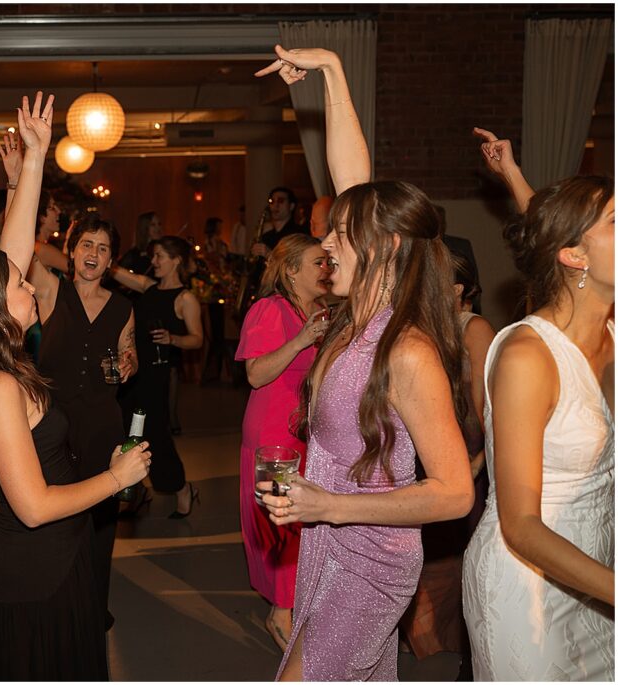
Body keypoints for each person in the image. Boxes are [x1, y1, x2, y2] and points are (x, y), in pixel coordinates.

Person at [255, 46, 474, 681]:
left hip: (370, 554)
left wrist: (329, 505)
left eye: (340, 234)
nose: (325, 244)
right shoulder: (354, 319)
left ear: (387, 245)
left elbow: (456, 492)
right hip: (327, 539)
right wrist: (331, 70)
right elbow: (353, 180)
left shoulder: (406, 351)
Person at [0, 91, 151, 681]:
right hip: (29, 569)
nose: (28, 284)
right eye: (17, 285)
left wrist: (33, 162)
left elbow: (14, 248)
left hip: (55, 556)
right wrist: (115, 479)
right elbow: (32, 507)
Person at [462, 131, 614, 681]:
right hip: (528, 591)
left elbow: (556, 236)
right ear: (574, 256)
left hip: (596, 569)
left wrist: (513, 176)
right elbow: (520, 526)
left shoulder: (612, 327)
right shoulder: (527, 357)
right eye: (617, 222)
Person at [1, 206, 137, 631]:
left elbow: (127, 352)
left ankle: (93, 604)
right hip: (52, 425)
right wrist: (17, 185)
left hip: (102, 424)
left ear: (111, 260)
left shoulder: (122, 307)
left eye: (103, 248)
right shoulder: (50, 290)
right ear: (72, 251)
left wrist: (128, 362)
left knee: (99, 521)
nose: (94, 253)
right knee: (54, 516)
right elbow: (16, 256)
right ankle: (55, 599)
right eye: (86, 245)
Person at [235, 234, 330, 651]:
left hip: (308, 431)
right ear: (291, 271)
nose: (326, 269)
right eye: (317, 263)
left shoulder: (323, 311)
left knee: (305, 523)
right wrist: (301, 340)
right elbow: (255, 375)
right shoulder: (269, 309)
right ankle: (280, 614)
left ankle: (293, 608)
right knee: (283, 525)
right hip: (274, 436)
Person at [402, 253, 495, 665]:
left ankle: (468, 654)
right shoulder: (426, 327)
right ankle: (429, 634)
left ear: (458, 289)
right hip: (430, 446)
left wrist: (478, 461)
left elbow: (486, 405)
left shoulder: (475, 327)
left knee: (467, 550)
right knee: (429, 546)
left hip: (467, 451)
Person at [112, 236, 205, 517]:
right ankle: (137, 488)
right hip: (134, 372)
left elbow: (197, 340)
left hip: (157, 375)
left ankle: (180, 487)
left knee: (155, 435)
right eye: (154, 256)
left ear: (176, 260)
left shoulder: (185, 299)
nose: (154, 261)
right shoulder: (148, 287)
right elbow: (117, 273)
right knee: (128, 431)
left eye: (160, 256)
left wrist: (173, 338)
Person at [250, 186, 308, 257]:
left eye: (281, 201)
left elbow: (295, 263)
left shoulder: (299, 234)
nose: (275, 205)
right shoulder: (266, 236)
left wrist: (269, 254)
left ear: (291, 206)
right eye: (272, 201)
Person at [119, 211, 163, 277]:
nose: (158, 228)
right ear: (144, 228)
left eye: (159, 224)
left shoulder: (163, 250)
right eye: (153, 225)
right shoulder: (134, 253)